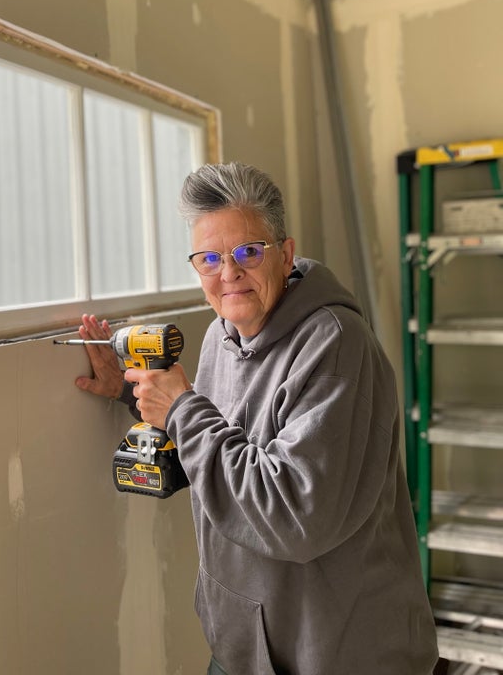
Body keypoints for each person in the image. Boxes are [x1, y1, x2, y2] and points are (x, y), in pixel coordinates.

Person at [75, 162, 443, 675]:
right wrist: (132, 395)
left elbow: (293, 515)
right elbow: (219, 446)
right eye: (209, 258)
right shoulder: (220, 336)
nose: (228, 274)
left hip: (337, 653)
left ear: (286, 254)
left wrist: (181, 406)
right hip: (244, 647)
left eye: (248, 251)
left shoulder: (334, 346)